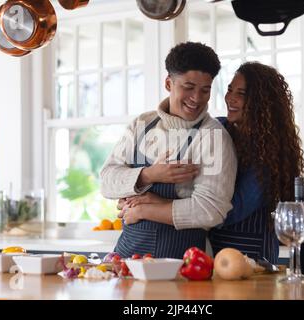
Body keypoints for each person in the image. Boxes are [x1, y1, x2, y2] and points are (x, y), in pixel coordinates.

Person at [100, 42, 238, 259]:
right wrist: (149, 175)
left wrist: (141, 210)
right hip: (126, 258)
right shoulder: (142, 124)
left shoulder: (213, 137)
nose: (197, 98)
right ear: (168, 83)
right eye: (188, 87)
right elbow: (106, 181)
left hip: (181, 262)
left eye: (205, 90)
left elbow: (211, 210)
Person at [208, 61, 304, 264]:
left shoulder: (268, 152)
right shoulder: (218, 128)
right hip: (212, 248)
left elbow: (235, 209)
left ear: (262, 103)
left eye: (241, 94)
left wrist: (188, 211)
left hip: (250, 255)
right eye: (229, 90)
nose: (230, 98)